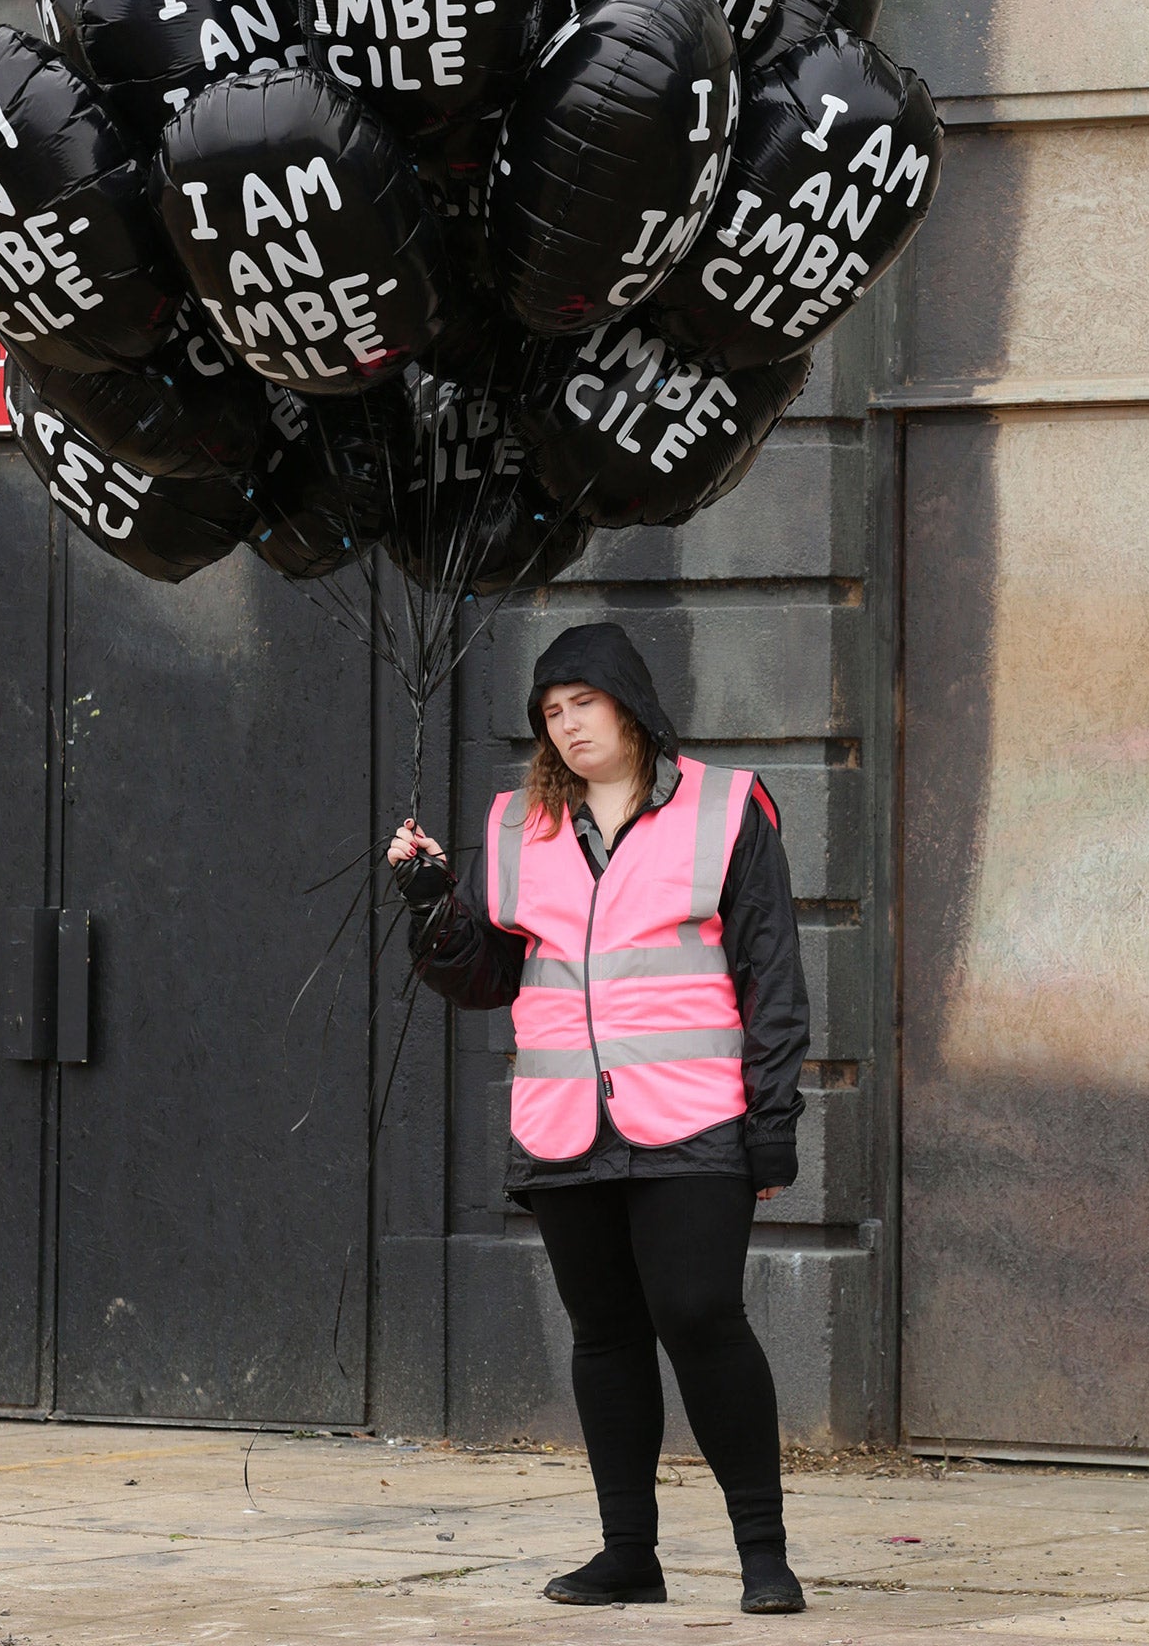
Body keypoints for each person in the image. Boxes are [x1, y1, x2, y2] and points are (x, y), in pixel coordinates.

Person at [387, 622, 809, 1616]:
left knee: (701, 1316)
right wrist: (432, 904)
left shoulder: (726, 808)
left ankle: (764, 1553)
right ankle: (631, 1554)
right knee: (606, 1334)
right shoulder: (511, 825)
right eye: (551, 711)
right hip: (564, 1118)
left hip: (697, 1119)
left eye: (583, 701)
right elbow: (488, 977)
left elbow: (773, 975)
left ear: (629, 699)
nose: (568, 724)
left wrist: (774, 1120)